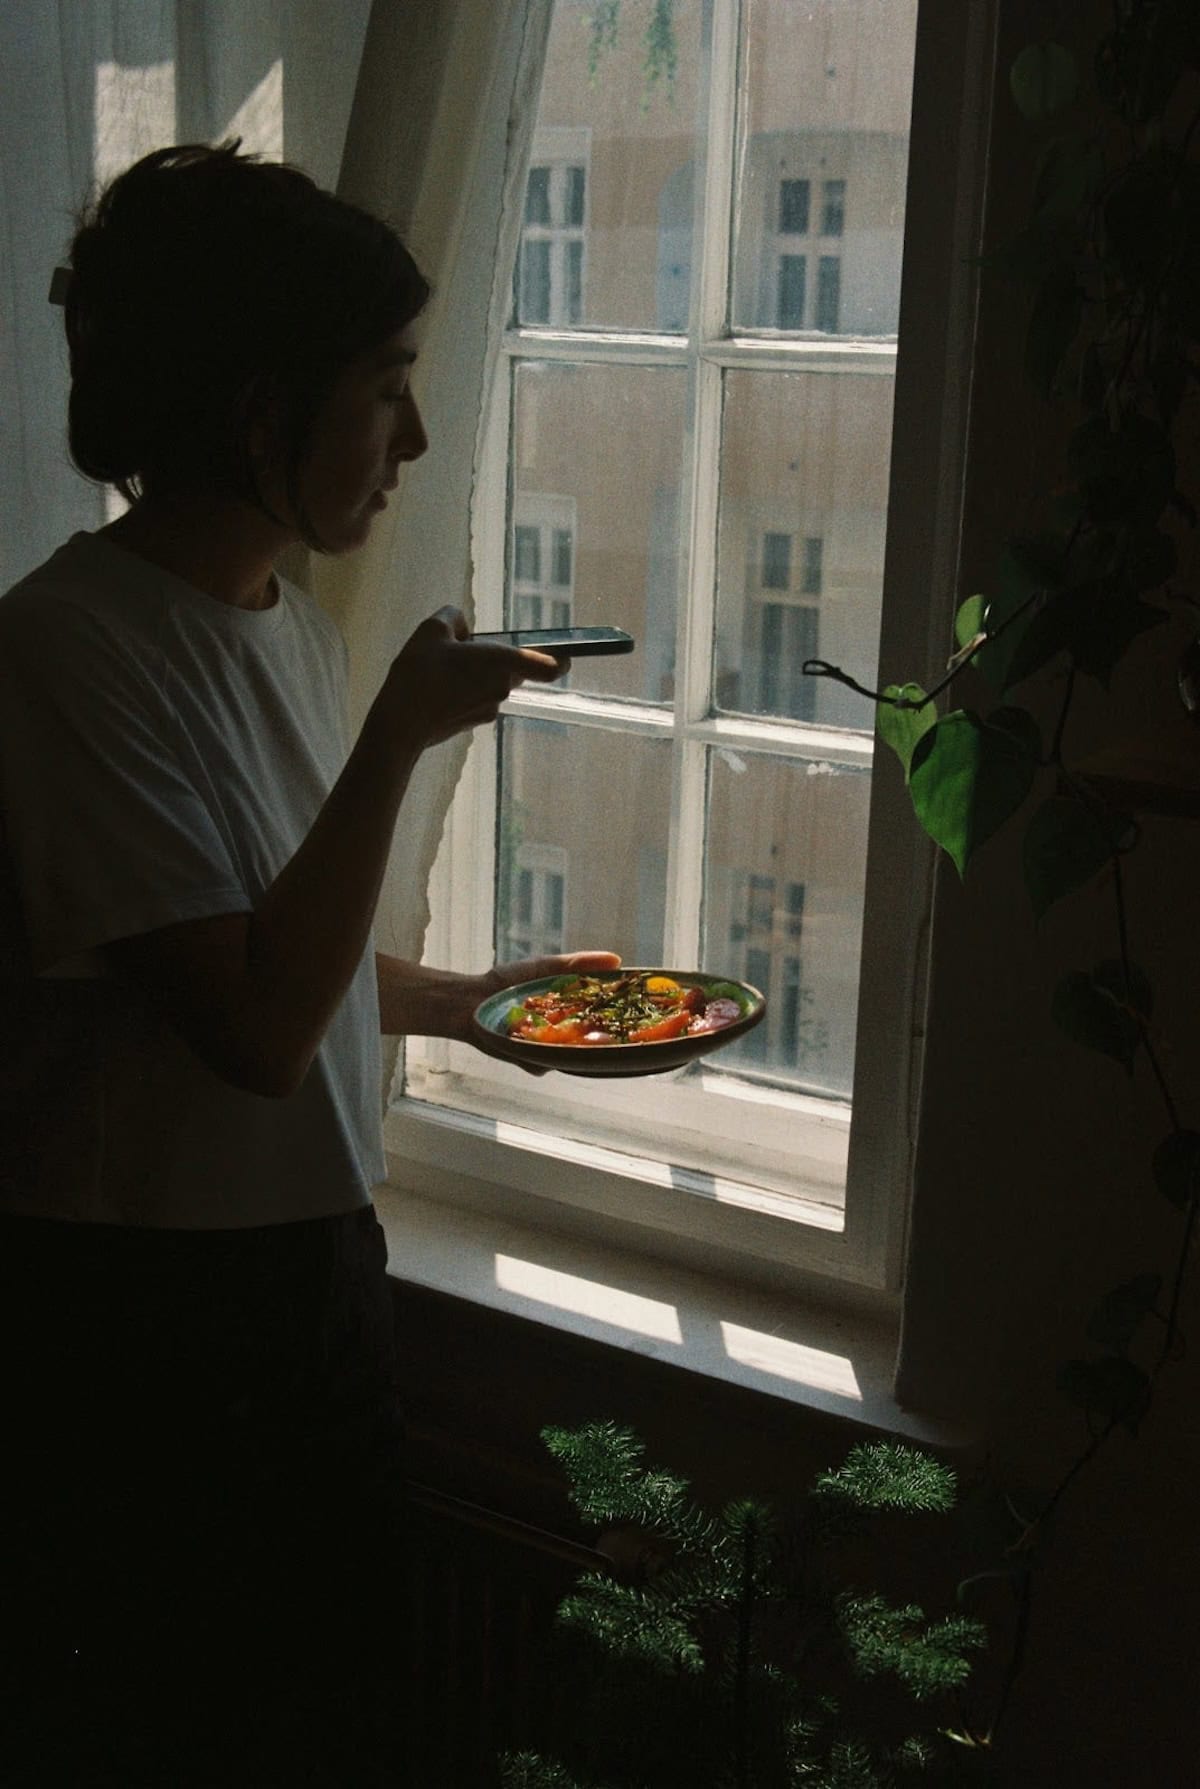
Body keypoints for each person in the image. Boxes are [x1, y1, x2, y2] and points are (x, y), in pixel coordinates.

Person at [0, 141, 619, 1786]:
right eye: (386, 388)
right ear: (260, 413)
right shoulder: (64, 653)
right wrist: (403, 738)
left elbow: (286, 949)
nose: (413, 438)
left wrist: (474, 1006)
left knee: (334, 1721)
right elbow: (257, 1030)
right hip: (148, 1331)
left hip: (308, 1288)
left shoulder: (276, 622)